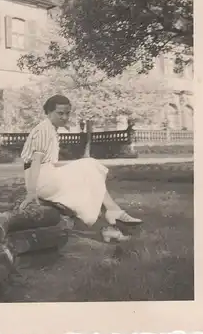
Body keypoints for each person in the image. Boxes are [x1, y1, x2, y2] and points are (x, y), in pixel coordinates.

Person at [20, 94, 142, 242]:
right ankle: (112, 212)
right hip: (41, 179)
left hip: (46, 175)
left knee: (89, 177)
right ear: (48, 112)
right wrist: (31, 193)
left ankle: (109, 226)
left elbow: (48, 162)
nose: (65, 117)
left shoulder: (50, 129)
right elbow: (35, 162)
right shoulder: (43, 130)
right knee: (89, 166)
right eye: (60, 113)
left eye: (67, 113)